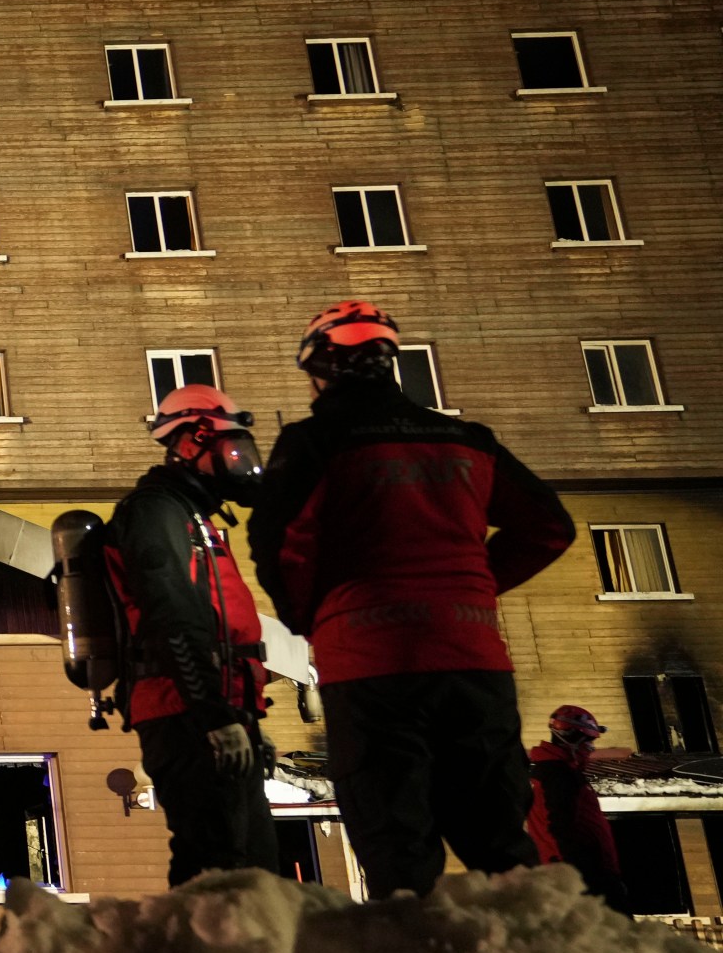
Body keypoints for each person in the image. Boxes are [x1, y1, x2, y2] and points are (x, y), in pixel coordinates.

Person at [251, 301, 575, 900]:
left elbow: (280, 545)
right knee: (500, 840)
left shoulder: (315, 441)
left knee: (396, 843)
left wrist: (313, 620)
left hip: (372, 664)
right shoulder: (467, 440)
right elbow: (550, 529)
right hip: (473, 656)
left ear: (321, 368)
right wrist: (472, 586)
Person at [104, 384, 278, 883]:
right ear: (193, 441)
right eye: (232, 448)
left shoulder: (192, 517)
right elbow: (172, 614)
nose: (243, 462)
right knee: (217, 865)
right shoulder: (155, 513)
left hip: (214, 710)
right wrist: (215, 718)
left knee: (252, 866)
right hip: (186, 712)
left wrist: (240, 721)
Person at [529, 705, 628, 911]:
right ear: (572, 740)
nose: (591, 748)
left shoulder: (559, 771)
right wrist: (581, 876)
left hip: (587, 875)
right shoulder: (557, 775)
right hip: (584, 880)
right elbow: (558, 828)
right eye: (588, 742)